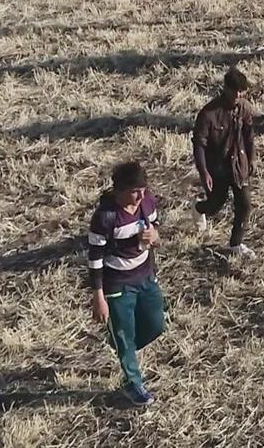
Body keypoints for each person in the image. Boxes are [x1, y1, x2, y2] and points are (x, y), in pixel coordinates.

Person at [87, 161, 164, 407]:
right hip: (118, 285)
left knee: (156, 324)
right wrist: (98, 296)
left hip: (145, 276)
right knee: (124, 335)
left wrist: (155, 236)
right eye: (134, 191)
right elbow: (95, 259)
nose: (141, 196)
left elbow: (156, 228)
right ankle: (133, 382)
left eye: (143, 190)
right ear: (119, 190)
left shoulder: (147, 202)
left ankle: (122, 347)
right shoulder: (105, 218)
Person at [192, 67, 257, 259]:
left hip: (238, 165)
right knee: (215, 205)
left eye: (241, 91)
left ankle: (236, 244)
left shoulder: (244, 108)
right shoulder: (208, 114)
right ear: (225, 89)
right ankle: (198, 208)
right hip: (218, 167)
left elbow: (249, 135)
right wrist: (204, 172)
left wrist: (252, 158)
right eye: (235, 91)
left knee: (244, 204)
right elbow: (199, 144)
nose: (238, 95)